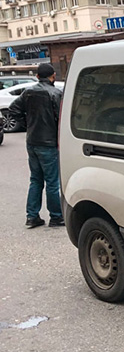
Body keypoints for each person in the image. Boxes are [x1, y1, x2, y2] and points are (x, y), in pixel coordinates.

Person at [8, 63, 64, 228]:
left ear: (38, 76)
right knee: (53, 182)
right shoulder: (56, 93)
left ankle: (32, 216)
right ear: (53, 76)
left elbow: (13, 109)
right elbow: (61, 118)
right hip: (49, 142)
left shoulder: (28, 92)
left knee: (36, 180)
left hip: (32, 141)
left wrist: (27, 124)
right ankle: (56, 216)